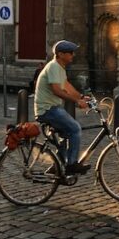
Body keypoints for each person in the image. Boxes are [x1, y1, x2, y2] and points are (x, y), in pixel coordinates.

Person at [34, 40, 90, 175]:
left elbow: (67, 86)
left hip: (52, 107)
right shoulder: (53, 66)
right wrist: (77, 101)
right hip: (47, 109)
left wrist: (81, 97)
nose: (73, 55)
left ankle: (58, 165)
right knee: (75, 129)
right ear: (60, 54)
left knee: (66, 134)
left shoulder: (60, 68)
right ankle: (71, 165)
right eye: (70, 53)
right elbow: (57, 91)